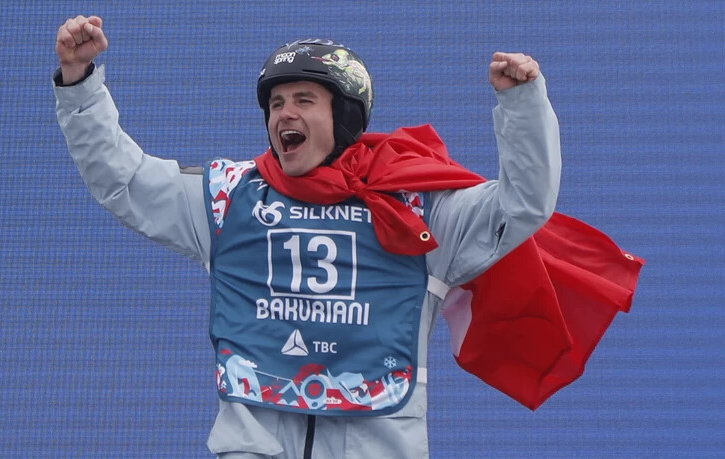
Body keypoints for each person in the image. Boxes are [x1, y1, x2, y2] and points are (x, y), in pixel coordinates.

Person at [54, 15, 641, 459]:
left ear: (347, 119)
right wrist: (79, 83)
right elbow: (123, 179)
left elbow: (524, 203)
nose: (285, 112)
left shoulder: (419, 209)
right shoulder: (230, 197)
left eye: (305, 100)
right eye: (277, 102)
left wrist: (522, 105)